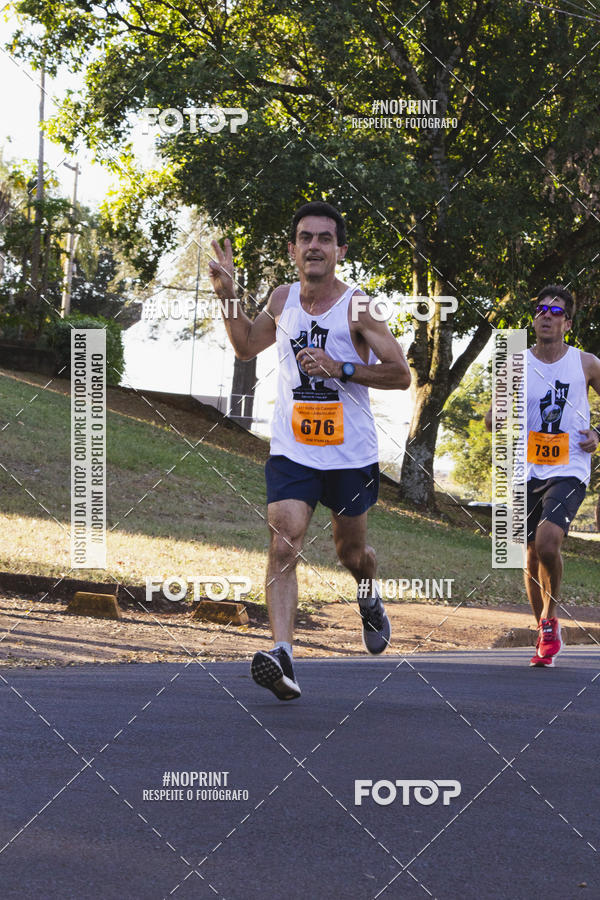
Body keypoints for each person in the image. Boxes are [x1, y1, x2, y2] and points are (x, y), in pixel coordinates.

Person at [209, 200, 411, 700]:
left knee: (353, 552)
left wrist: (342, 368)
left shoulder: (359, 307)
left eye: (325, 238)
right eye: (306, 237)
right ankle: (283, 654)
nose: (314, 246)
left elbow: (400, 374)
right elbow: (244, 346)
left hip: (350, 456)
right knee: (284, 540)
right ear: (294, 249)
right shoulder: (281, 300)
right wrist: (228, 295)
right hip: (294, 449)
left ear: (340, 250)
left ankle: (368, 595)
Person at [486, 285, 600, 667]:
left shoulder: (586, 363)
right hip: (525, 468)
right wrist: (496, 417)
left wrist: (597, 434)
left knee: (548, 542)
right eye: (540, 310)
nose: (546, 316)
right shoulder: (516, 363)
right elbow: (492, 416)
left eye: (555, 311)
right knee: (531, 551)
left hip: (569, 468)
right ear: (535, 319)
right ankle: (544, 627)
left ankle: (551, 617)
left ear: (567, 322)